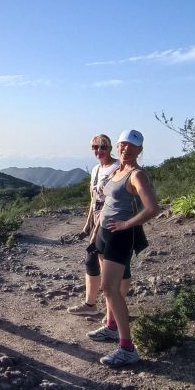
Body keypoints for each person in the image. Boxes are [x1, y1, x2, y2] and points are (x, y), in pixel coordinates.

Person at [87, 130, 160, 367]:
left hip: (120, 236)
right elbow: (106, 201)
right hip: (104, 234)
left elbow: (152, 208)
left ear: (140, 150)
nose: (125, 149)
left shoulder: (136, 174)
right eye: (122, 145)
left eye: (131, 146)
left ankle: (127, 348)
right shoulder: (118, 171)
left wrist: (127, 223)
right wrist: (96, 231)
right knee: (108, 288)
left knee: (110, 289)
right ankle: (110, 326)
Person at [68, 134, 124, 317]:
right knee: (92, 261)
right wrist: (87, 225)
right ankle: (91, 305)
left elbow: (110, 201)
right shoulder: (96, 170)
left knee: (107, 267)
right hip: (97, 219)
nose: (98, 151)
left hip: (110, 221)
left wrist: (95, 231)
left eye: (103, 147)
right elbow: (94, 200)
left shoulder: (118, 168)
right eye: (94, 147)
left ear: (110, 148)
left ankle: (112, 314)